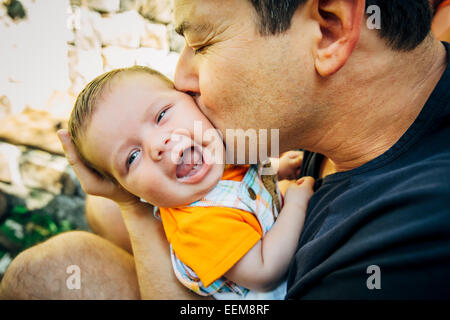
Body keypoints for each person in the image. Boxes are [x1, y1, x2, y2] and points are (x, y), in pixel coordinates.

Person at [1, 0, 449, 300]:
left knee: (48, 273)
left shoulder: (412, 238)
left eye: (201, 43)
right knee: (100, 215)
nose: (181, 79)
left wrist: (135, 208)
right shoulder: (357, 115)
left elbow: (262, 274)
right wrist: (128, 202)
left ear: (330, 29)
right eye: (132, 157)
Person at [66, 64, 312, 299]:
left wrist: (276, 170)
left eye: (161, 115)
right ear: (130, 191)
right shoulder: (199, 224)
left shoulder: (220, 151)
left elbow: (243, 181)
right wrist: (296, 202)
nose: (157, 144)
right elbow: (264, 272)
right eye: (132, 157)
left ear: (192, 99)